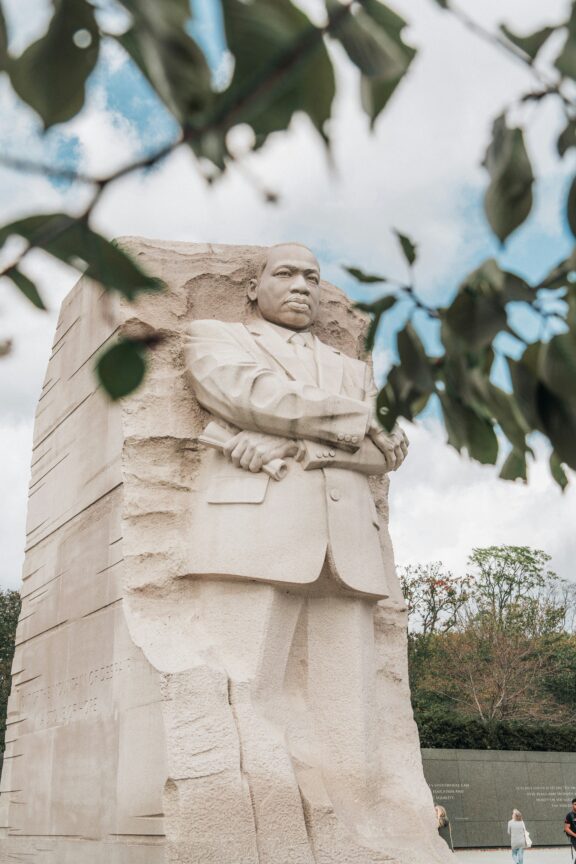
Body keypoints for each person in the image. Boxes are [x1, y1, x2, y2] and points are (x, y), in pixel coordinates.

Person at [182, 242, 413, 859]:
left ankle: (357, 842)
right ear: (253, 288)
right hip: (252, 535)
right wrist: (357, 418)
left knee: (353, 725)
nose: (302, 285)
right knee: (241, 698)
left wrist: (302, 447)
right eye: (284, 274)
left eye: (313, 276)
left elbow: (386, 453)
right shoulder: (214, 335)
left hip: (350, 550)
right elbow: (249, 395)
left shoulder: (351, 367)